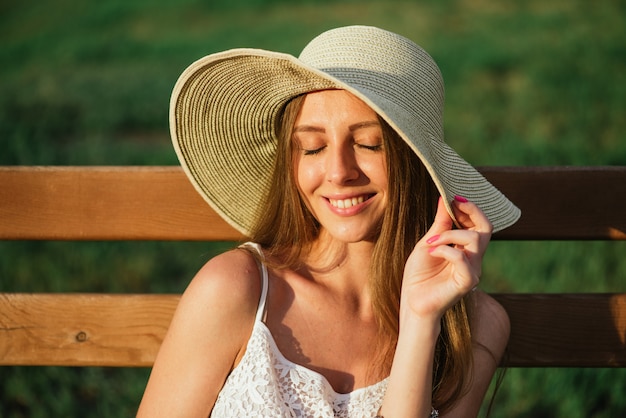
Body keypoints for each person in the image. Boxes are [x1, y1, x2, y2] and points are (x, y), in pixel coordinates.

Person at [137, 25, 520, 417]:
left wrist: (421, 322)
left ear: (417, 162)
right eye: (313, 147)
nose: (338, 172)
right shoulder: (235, 290)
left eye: (370, 144)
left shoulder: (470, 327)